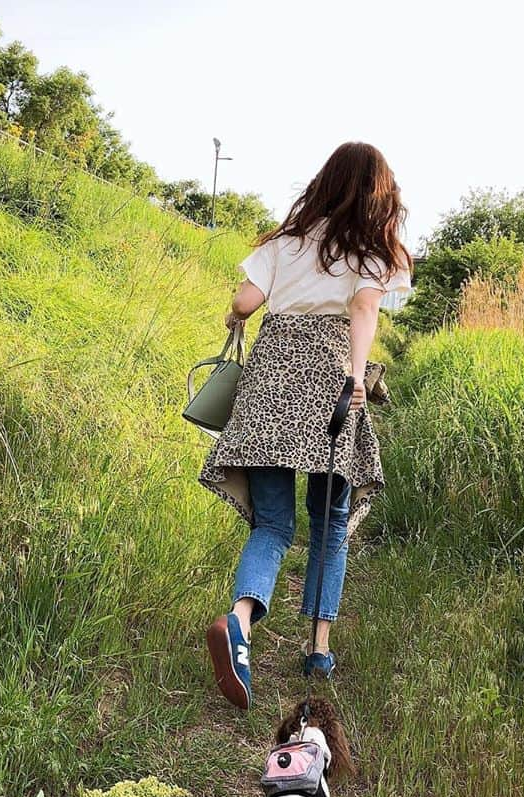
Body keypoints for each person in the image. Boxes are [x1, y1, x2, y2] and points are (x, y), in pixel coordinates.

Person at [201, 142, 412, 710]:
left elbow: (247, 302)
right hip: (329, 385)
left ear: (324, 182)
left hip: (271, 382)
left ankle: (240, 624)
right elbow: (365, 310)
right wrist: (354, 375)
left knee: (272, 523)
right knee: (330, 522)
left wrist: (233, 315)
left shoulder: (284, 241)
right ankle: (318, 649)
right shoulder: (371, 251)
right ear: (377, 192)